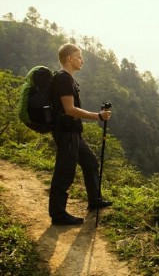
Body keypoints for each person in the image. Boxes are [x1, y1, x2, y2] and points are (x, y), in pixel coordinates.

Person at [49, 43, 113, 225]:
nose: (82, 61)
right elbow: (69, 109)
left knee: (90, 161)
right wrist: (98, 116)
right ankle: (58, 214)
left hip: (73, 132)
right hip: (66, 132)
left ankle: (95, 200)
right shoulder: (63, 80)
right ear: (69, 58)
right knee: (65, 171)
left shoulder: (67, 79)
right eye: (79, 57)